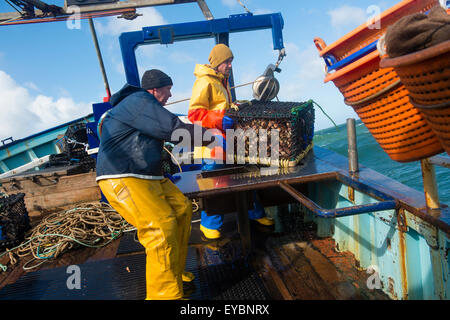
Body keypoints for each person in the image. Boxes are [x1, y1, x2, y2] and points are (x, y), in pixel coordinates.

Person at [96, 69, 206, 300]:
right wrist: (213, 135)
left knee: (182, 210)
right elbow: (174, 130)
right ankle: (164, 295)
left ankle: (172, 273)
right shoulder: (139, 101)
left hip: (147, 177)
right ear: (155, 89)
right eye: (168, 89)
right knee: (160, 229)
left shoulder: (143, 106)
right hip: (122, 177)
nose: (170, 94)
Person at [188, 43, 274, 240]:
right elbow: (194, 114)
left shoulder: (221, 80)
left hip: (229, 141)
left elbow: (219, 106)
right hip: (212, 144)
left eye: (231, 61)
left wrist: (232, 106)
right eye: (227, 62)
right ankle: (208, 225)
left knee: (247, 176)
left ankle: (255, 213)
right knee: (214, 184)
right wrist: (219, 118)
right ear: (217, 62)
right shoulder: (204, 82)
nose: (230, 65)